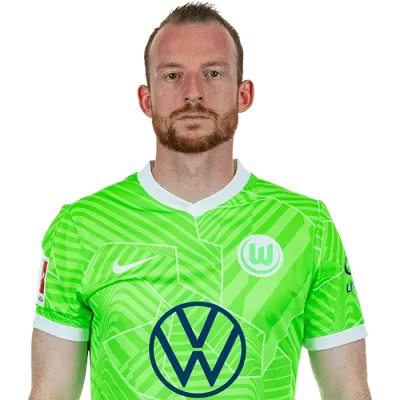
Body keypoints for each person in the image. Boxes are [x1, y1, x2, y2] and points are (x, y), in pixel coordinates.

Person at [28, 1, 372, 399]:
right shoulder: (81, 228)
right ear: (145, 99)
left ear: (244, 94)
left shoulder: (305, 225)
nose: (193, 93)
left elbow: (348, 390)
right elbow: (51, 391)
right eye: (173, 75)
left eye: (213, 73)